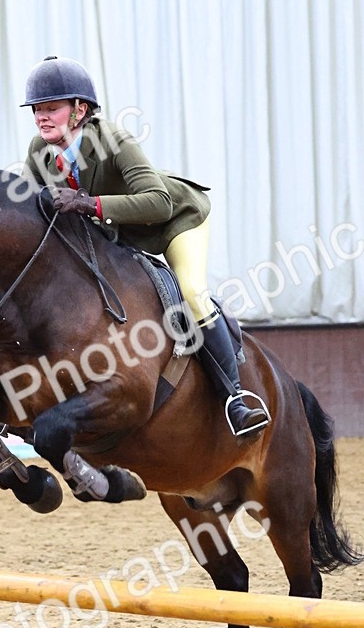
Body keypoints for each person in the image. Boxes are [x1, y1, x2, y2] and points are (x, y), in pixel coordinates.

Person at [22, 55, 270, 437]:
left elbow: (159, 201)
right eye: (37, 109)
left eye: (51, 108)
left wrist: (90, 204)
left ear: (79, 110)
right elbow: (30, 208)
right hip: (118, 235)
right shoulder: (40, 151)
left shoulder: (113, 140)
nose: (41, 117)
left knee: (191, 291)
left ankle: (235, 399)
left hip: (174, 221)